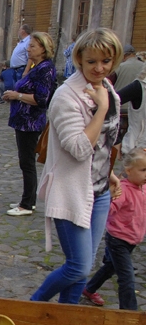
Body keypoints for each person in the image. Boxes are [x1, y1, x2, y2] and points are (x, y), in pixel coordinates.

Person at [30, 28, 124, 305]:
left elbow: (105, 142)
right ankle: (32, 307)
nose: (99, 68)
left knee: (82, 271)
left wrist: (111, 173)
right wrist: (102, 110)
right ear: (80, 59)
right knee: (78, 266)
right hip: (72, 189)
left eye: (106, 61)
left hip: (100, 190)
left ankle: (64, 322)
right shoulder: (66, 96)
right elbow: (81, 149)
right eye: (92, 61)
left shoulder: (106, 88)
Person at [82, 146, 146, 310]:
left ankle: (89, 289)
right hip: (118, 239)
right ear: (129, 170)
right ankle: (128, 312)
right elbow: (107, 211)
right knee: (126, 277)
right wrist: (110, 197)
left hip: (133, 238)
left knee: (110, 267)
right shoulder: (122, 190)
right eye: (143, 170)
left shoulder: (143, 188)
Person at [3, 32, 57, 216]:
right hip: (22, 120)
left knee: (27, 162)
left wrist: (16, 96)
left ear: (43, 48)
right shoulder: (36, 66)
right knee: (24, 161)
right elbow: (22, 83)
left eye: (33, 46)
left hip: (30, 122)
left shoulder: (46, 69)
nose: (28, 49)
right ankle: (28, 199)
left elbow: (42, 99)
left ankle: (26, 203)